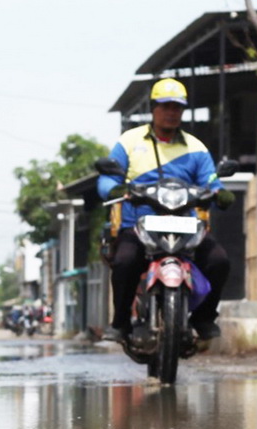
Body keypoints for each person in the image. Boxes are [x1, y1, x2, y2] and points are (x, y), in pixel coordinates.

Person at [97, 78, 235, 343]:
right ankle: (121, 322)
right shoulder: (130, 141)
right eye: (165, 106)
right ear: (153, 108)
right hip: (139, 225)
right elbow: (108, 178)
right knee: (124, 261)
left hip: (185, 224)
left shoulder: (196, 147)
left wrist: (220, 192)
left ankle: (204, 317)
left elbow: (210, 181)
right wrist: (113, 190)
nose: (171, 112)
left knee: (219, 261)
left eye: (177, 107)